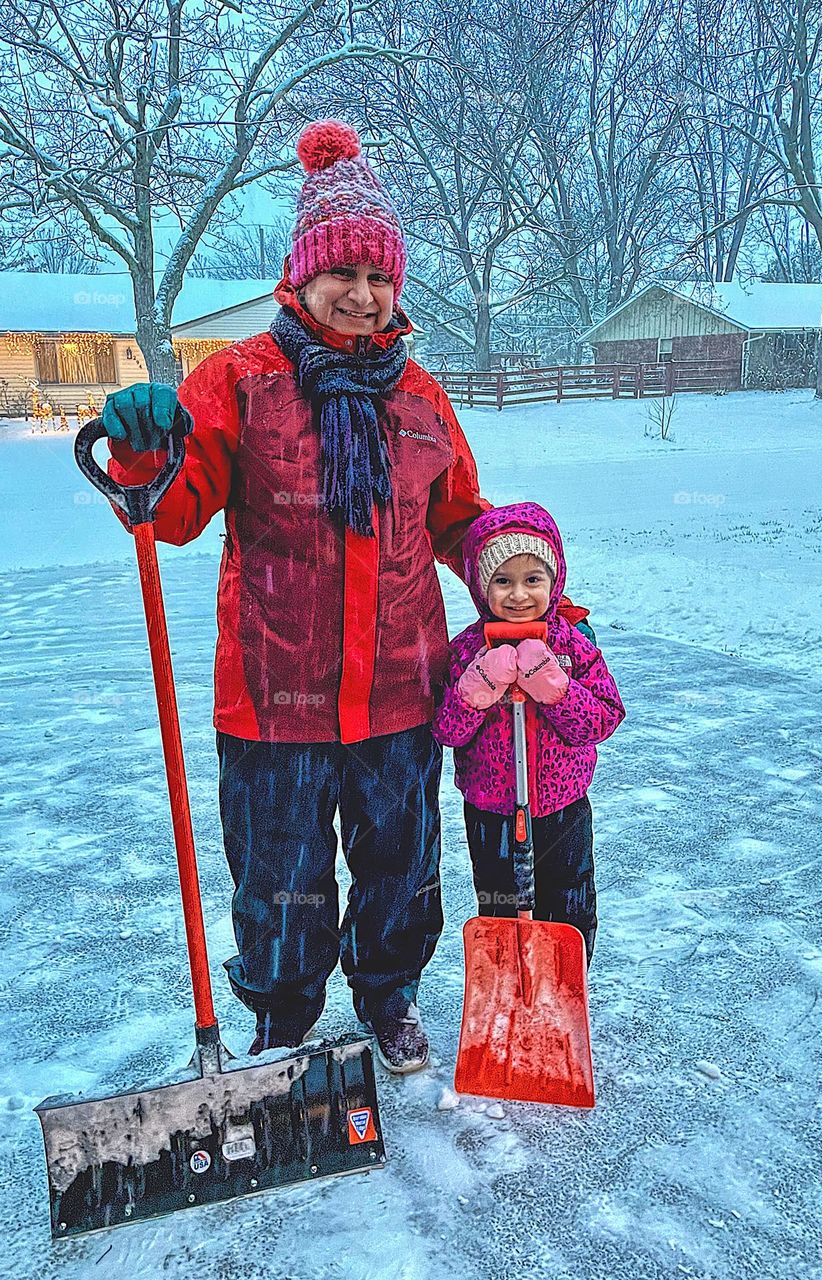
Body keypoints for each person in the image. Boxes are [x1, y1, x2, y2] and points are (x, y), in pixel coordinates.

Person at [99, 119, 496, 1073]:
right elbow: (174, 511)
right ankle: (283, 1009)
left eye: (379, 279)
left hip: (401, 687)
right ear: (302, 276)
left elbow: (460, 519)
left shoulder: (421, 398)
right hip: (273, 693)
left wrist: (524, 579)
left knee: (399, 864)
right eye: (343, 276)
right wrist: (145, 450)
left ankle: (389, 993)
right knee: (284, 878)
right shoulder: (240, 382)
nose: (361, 297)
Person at [432, 503, 625, 963]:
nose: (518, 595)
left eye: (532, 580)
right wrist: (474, 689)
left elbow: (602, 718)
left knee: (566, 899)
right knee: (500, 900)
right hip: (491, 807)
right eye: (503, 581)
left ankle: (562, 982)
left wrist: (558, 690)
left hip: (562, 807)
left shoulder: (572, 645)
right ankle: (505, 980)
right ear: (481, 586)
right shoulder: (465, 651)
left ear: (553, 581)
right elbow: (447, 731)